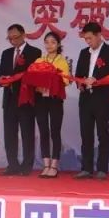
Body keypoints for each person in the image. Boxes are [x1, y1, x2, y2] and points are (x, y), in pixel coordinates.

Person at [73, 22, 109, 180]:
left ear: (99, 35)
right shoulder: (83, 53)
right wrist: (80, 83)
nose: (88, 42)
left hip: (102, 97)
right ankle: (86, 168)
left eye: (90, 38)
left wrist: (96, 79)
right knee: (86, 134)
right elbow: (78, 74)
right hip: (86, 97)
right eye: (85, 39)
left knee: (102, 133)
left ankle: (102, 168)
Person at [0, 24, 41, 176]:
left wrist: (16, 79)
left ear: (23, 35)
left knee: (27, 133)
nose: (13, 41)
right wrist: (1, 78)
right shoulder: (6, 53)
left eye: (15, 37)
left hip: (26, 99)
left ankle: (26, 166)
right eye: (10, 38)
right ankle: (12, 165)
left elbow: (34, 75)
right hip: (9, 98)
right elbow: (0, 73)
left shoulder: (35, 52)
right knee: (9, 133)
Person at [35, 32, 70, 179]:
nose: (49, 45)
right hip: (40, 100)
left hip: (55, 99)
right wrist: (37, 85)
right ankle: (46, 164)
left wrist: (52, 82)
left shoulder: (62, 61)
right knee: (43, 131)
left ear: (58, 45)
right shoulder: (39, 60)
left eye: (53, 42)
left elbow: (66, 81)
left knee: (55, 131)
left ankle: (54, 165)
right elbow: (32, 78)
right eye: (47, 42)